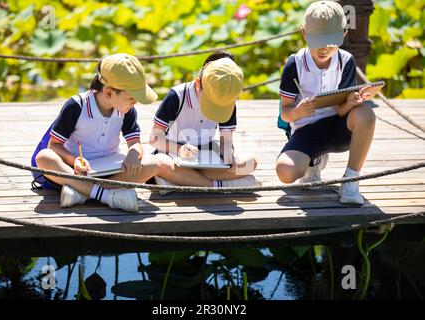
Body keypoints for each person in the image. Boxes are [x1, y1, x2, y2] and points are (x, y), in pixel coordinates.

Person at [31, 53, 175, 212]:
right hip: (75, 171)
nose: (135, 102)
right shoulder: (76, 106)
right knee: (44, 157)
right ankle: (106, 196)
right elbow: (54, 145)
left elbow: (135, 143)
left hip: (110, 172)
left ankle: (82, 192)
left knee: (155, 162)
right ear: (108, 93)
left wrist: (133, 154)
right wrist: (75, 161)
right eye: (132, 97)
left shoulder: (127, 110)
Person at [275, 1, 376, 205]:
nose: (324, 48)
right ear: (304, 33)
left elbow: (341, 110)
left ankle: (351, 180)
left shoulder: (345, 60)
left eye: (331, 41)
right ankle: (315, 162)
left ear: (344, 34)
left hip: (337, 126)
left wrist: (351, 102)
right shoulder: (295, 64)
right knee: (285, 172)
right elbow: (285, 113)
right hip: (306, 130)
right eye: (318, 40)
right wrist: (298, 111)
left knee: (365, 114)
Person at [149, 51, 260, 193]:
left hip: (207, 158)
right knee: (160, 163)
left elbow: (226, 139)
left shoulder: (227, 98)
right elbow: (154, 138)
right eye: (211, 101)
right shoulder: (177, 96)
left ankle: (179, 182)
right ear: (197, 84)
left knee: (250, 162)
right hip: (174, 153)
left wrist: (228, 155)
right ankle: (221, 186)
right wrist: (180, 149)